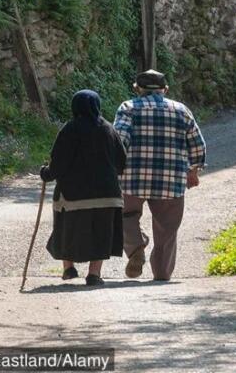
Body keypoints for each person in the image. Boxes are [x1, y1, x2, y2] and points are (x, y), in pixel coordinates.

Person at [114, 69, 206, 282]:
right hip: (171, 180)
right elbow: (197, 145)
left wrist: (112, 167)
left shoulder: (128, 108)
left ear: (137, 89)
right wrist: (193, 170)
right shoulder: (181, 110)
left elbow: (119, 140)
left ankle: (136, 248)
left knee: (124, 216)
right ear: (165, 89)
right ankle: (162, 274)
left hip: (132, 179)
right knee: (167, 228)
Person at [40, 90, 128, 286]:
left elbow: (57, 165)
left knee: (65, 228)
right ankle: (94, 274)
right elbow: (121, 163)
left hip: (73, 196)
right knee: (102, 232)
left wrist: (45, 173)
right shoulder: (109, 129)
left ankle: (68, 268)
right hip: (107, 195)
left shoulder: (69, 129)